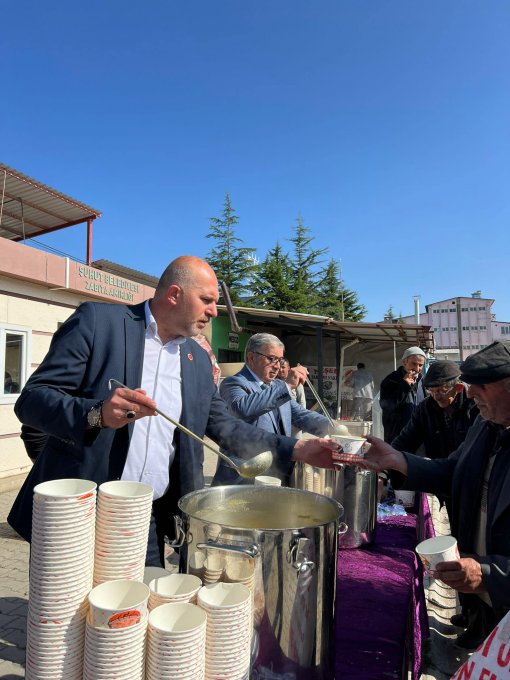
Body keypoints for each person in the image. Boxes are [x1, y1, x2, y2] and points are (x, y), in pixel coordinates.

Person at [8, 256, 339, 566]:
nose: (213, 312)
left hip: (147, 517)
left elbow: (226, 426)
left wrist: (295, 448)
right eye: (207, 300)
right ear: (174, 294)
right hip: (80, 510)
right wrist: (98, 414)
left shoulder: (196, 360)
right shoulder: (98, 322)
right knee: (69, 607)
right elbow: (33, 400)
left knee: (139, 605)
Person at [357, 341, 510, 650]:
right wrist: (398, 460)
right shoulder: (486, 424)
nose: (470, 393)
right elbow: (454, 470)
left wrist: (491, 574)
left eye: (480, 385)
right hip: (490, 596)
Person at [212, 333, 333, 485]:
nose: (277, 366)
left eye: (280, 360)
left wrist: (333, 427)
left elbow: (301, 415)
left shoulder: (277, 386)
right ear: (251, 357)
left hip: (275, 472)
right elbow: (242, 409)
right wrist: (287, 386)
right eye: (271, 359)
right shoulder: (233, 383)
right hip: (243, 476)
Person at [380, 346, 427, 443]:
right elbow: (387, 406)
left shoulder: (423, 381)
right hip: (397, 435)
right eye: (414, 364)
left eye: (420, 365)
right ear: (405, 362)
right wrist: (404, 386)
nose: (417, 369)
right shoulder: (392, 379)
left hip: (418, 434)